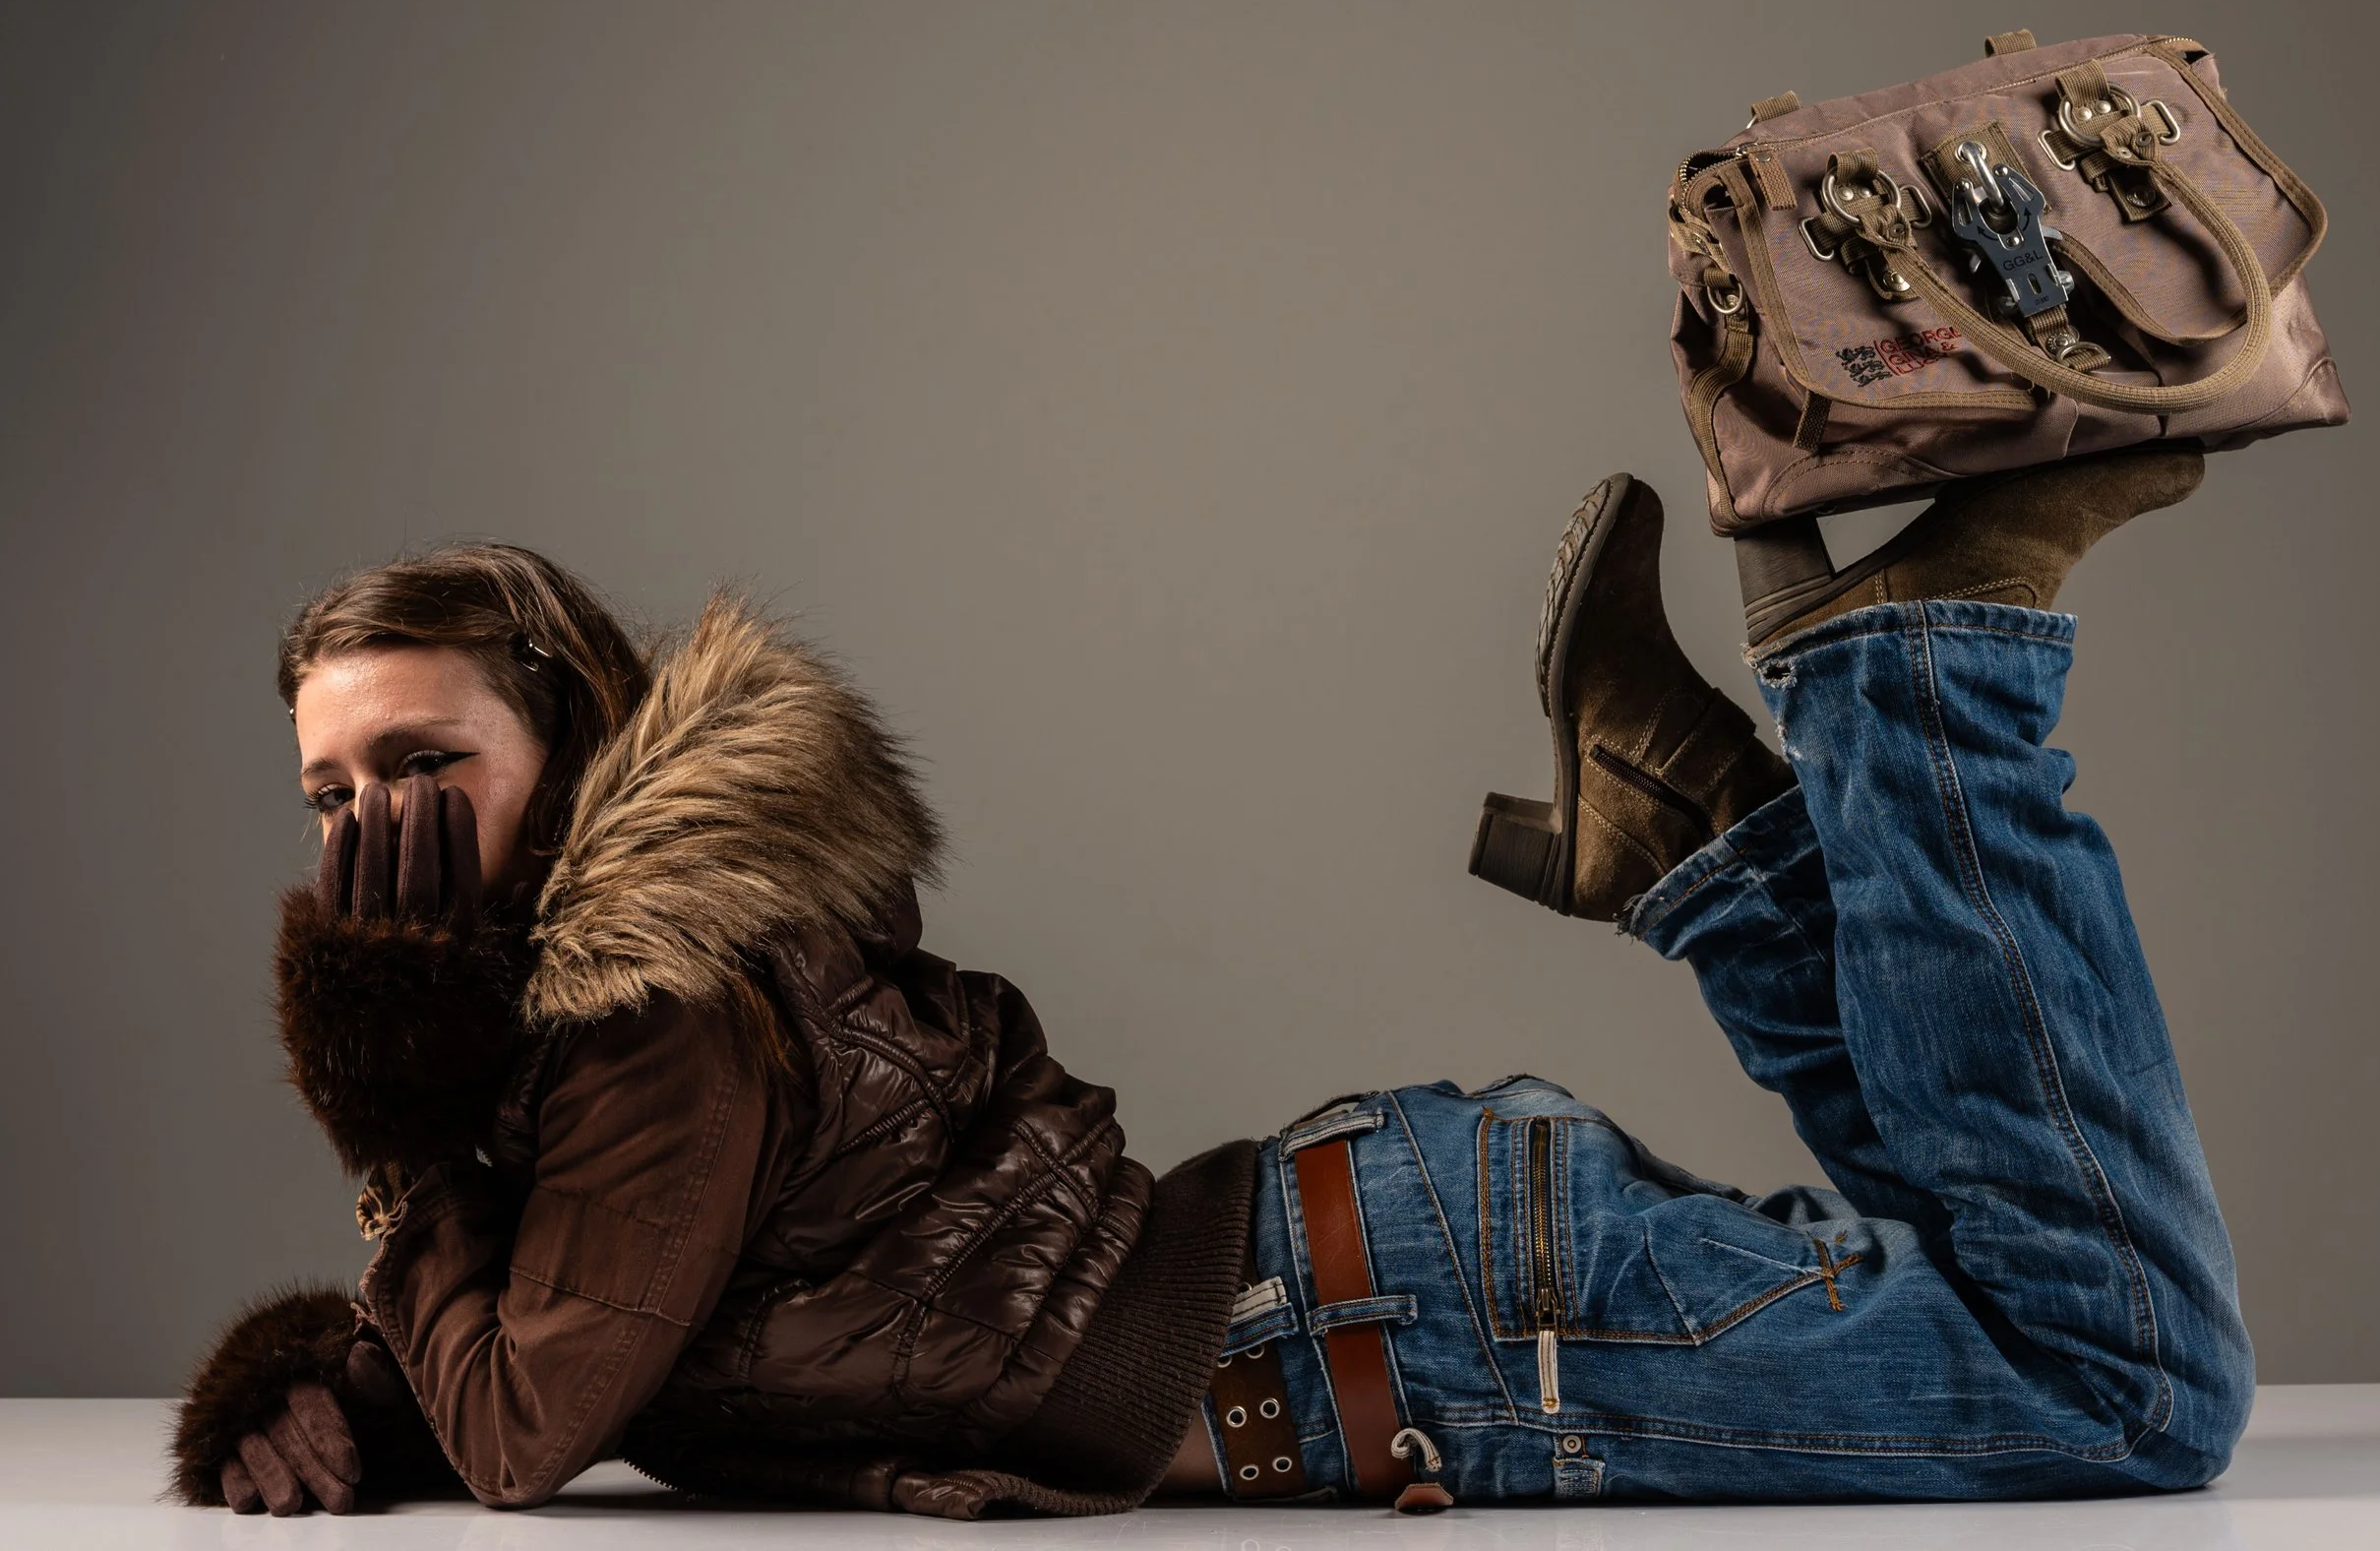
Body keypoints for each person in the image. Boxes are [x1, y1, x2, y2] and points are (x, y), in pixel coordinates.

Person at [173, 443, 2252, 1519]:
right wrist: (358, 1394)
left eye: (427, 767)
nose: (381, 838)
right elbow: (646, 1334)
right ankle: (1698, 827)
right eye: (331, 791)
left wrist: (382, 1124)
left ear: (569, 739)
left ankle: (1922, 687)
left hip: (1424, 1318)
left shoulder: (652, 1006)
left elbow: (535, 1422)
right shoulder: (628, 1015)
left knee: (2123, 1378)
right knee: (2006, 1280)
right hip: (1404, 1269)